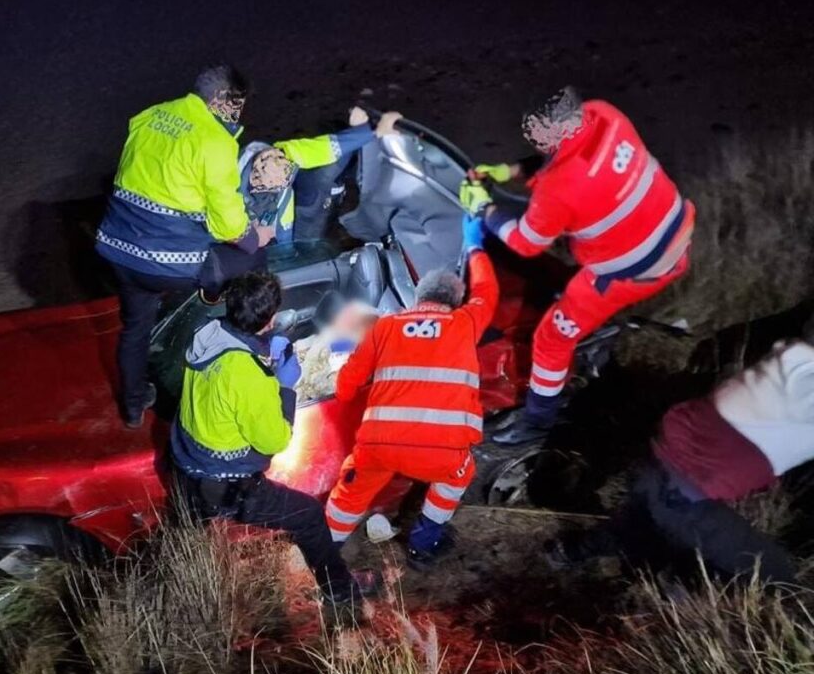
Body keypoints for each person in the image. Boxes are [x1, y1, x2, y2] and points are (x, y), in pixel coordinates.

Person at [466, 87, 695, 444]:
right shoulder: (604, 113)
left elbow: (526, 244)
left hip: (633, 270)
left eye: (534, 133)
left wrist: (484, 211)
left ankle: (537, 423)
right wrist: (507, 171)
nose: (531, 139)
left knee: (551, 338)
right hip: (673, 227)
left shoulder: (559, 187)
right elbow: (565, 158)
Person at [548, 321, 814, 583]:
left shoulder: (796, 355)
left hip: (667, 450)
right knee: (774, 575)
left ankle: (570, 551)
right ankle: (674, 593)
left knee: (646, 520)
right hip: (686, 484)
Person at [168, 271, 377, 604]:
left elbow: (227, 375)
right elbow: (274, 441)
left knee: (189, 528)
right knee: (308, 515)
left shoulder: (205, 334)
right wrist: (284, 387)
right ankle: (340, 591)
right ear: (271, 317)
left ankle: (183, 573)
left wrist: (263, 348)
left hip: (185, 461)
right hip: (225, 485)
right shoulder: (250, 377)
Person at [96, 64, 274, 427]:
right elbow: (229, 225)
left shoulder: (150, 115)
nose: (239, 113)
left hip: (116, 249)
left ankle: (132, 408)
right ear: (220, 100)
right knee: (254, 255)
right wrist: (257, 235)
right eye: (236, 104)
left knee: (135, 328)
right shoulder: (216, 142)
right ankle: (244, 330)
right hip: (166, 263)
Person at [324, 212, 499, 570]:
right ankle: (422, 546)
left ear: (418, 299)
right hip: (442, 452)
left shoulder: (386, 325)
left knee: (352, 489)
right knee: (457, 478)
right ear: (453, 302)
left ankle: (324, 550)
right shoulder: (464, 322)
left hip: (380, 444)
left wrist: (346, 400)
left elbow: (349, 379)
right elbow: (487, 292)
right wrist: (476, 248)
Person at [238, 107, 403, 243]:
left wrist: (370, 131)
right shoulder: (226, 187)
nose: (285, 185)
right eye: (278, 184)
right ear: (257, 183)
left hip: (297, 216)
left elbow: (328, 148)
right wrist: (250, 239)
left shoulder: (284, 155)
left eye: (286, 179)